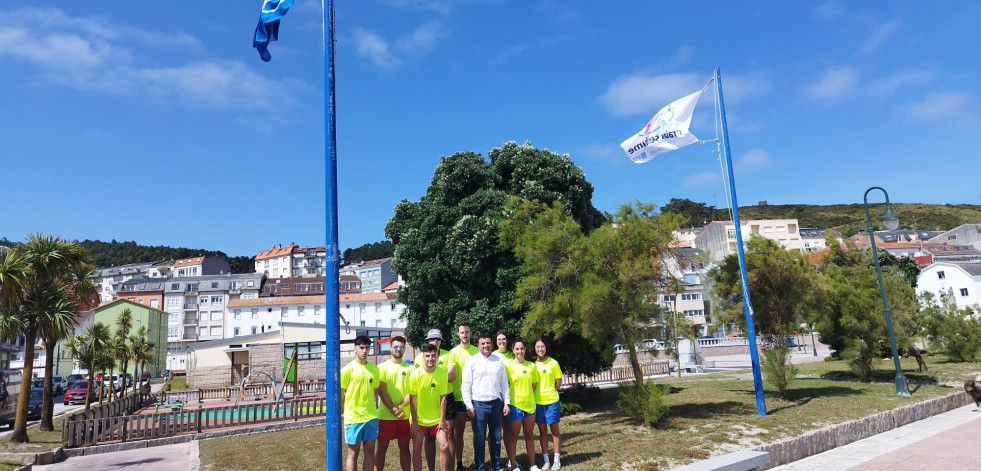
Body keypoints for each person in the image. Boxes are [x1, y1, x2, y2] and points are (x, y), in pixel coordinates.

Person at [462, 333, 510, 471]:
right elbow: (465, 385)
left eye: (488, 343)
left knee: (496, 438)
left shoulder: (498, 361)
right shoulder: (471, 361)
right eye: (482, 343)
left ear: (492, 344)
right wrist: (469, 405)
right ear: (478, 345)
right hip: (478, 405)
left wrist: (506, 402)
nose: (486, 346)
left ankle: (496, 467)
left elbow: (504, 383)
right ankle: (480, 468)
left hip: (496, 404)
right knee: (479, 440)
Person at [414, 329, 456, 465]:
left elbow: (451, 376)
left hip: (445, 397)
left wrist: (438, 376)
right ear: (427, 341)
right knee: (429, 438)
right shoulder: (419, 357)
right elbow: (421, 377)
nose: (435, 341)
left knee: (448, 435)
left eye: (438, 339)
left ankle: (449, 468)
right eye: (432, 339)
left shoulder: (449, 354)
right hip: (426, 400)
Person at [408, 344, 452, 471]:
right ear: (423, 357)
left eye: (433, 355)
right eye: (427, 356)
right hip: (419, 420)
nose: (431, 358)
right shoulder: (415, 375)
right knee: (417, 449)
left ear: (437, 356)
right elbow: (412, 400)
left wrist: (442, 420)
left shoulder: (442, 374)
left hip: (437, 419)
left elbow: (443, 398)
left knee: (444, 446)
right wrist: (415, 422)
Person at [341, 335, 381, 471]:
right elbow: (341, 393)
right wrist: (345, 411)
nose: (364, 351)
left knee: (370, 453)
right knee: (353, 454)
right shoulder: (347, 370)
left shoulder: (374, 370)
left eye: (367, 348)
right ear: (355, 349)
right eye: (361, 347)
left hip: (371, 417)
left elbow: (375, 392)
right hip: (353, 418)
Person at [376, 336, 413, 471]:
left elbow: (412, 391)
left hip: (404, 415)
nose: (398, 349)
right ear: (390, 348)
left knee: (404, 446)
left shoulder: (410, 368)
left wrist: (400, 407)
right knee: (382, 447)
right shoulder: (382, 367)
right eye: (396, 347)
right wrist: (393, 408)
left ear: (404, 349)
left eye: (401, 347)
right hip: (385, 415)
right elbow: (381, 390)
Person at [504, 338, 538, 471]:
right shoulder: (508, 365)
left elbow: (533, 385)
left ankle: (533, 465)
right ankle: (513, 466)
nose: (520, 351)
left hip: (530, 406)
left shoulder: (531, 366)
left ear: (525, 349)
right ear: (513, 350)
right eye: (517, 349)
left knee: (529, 436)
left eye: (522, 348)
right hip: (515, 405)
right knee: (514, 437)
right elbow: (505, 385)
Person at [447, 323, 478, 471]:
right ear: (458, 334)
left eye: (467, 332)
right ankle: (459, 463)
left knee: (478, 433)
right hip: (458, 399)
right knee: (458, 433)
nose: (464, 335)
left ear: (471, 333)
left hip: (476, 398)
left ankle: (479, 462)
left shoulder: (477, 352)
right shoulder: (452, 353)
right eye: (462, 332)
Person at [532, 337, 562, 471]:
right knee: (542, 432)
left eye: (542, 346)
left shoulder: (553, 363)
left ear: (546, 347)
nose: (540, 349)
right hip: (538, 403)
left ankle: (556, 460)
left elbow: (558, 382)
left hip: (552, 402)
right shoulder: (533, 365)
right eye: (538, 347)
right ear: (534, 348)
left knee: (554, 431)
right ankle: (546, 460)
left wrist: (551, 392)